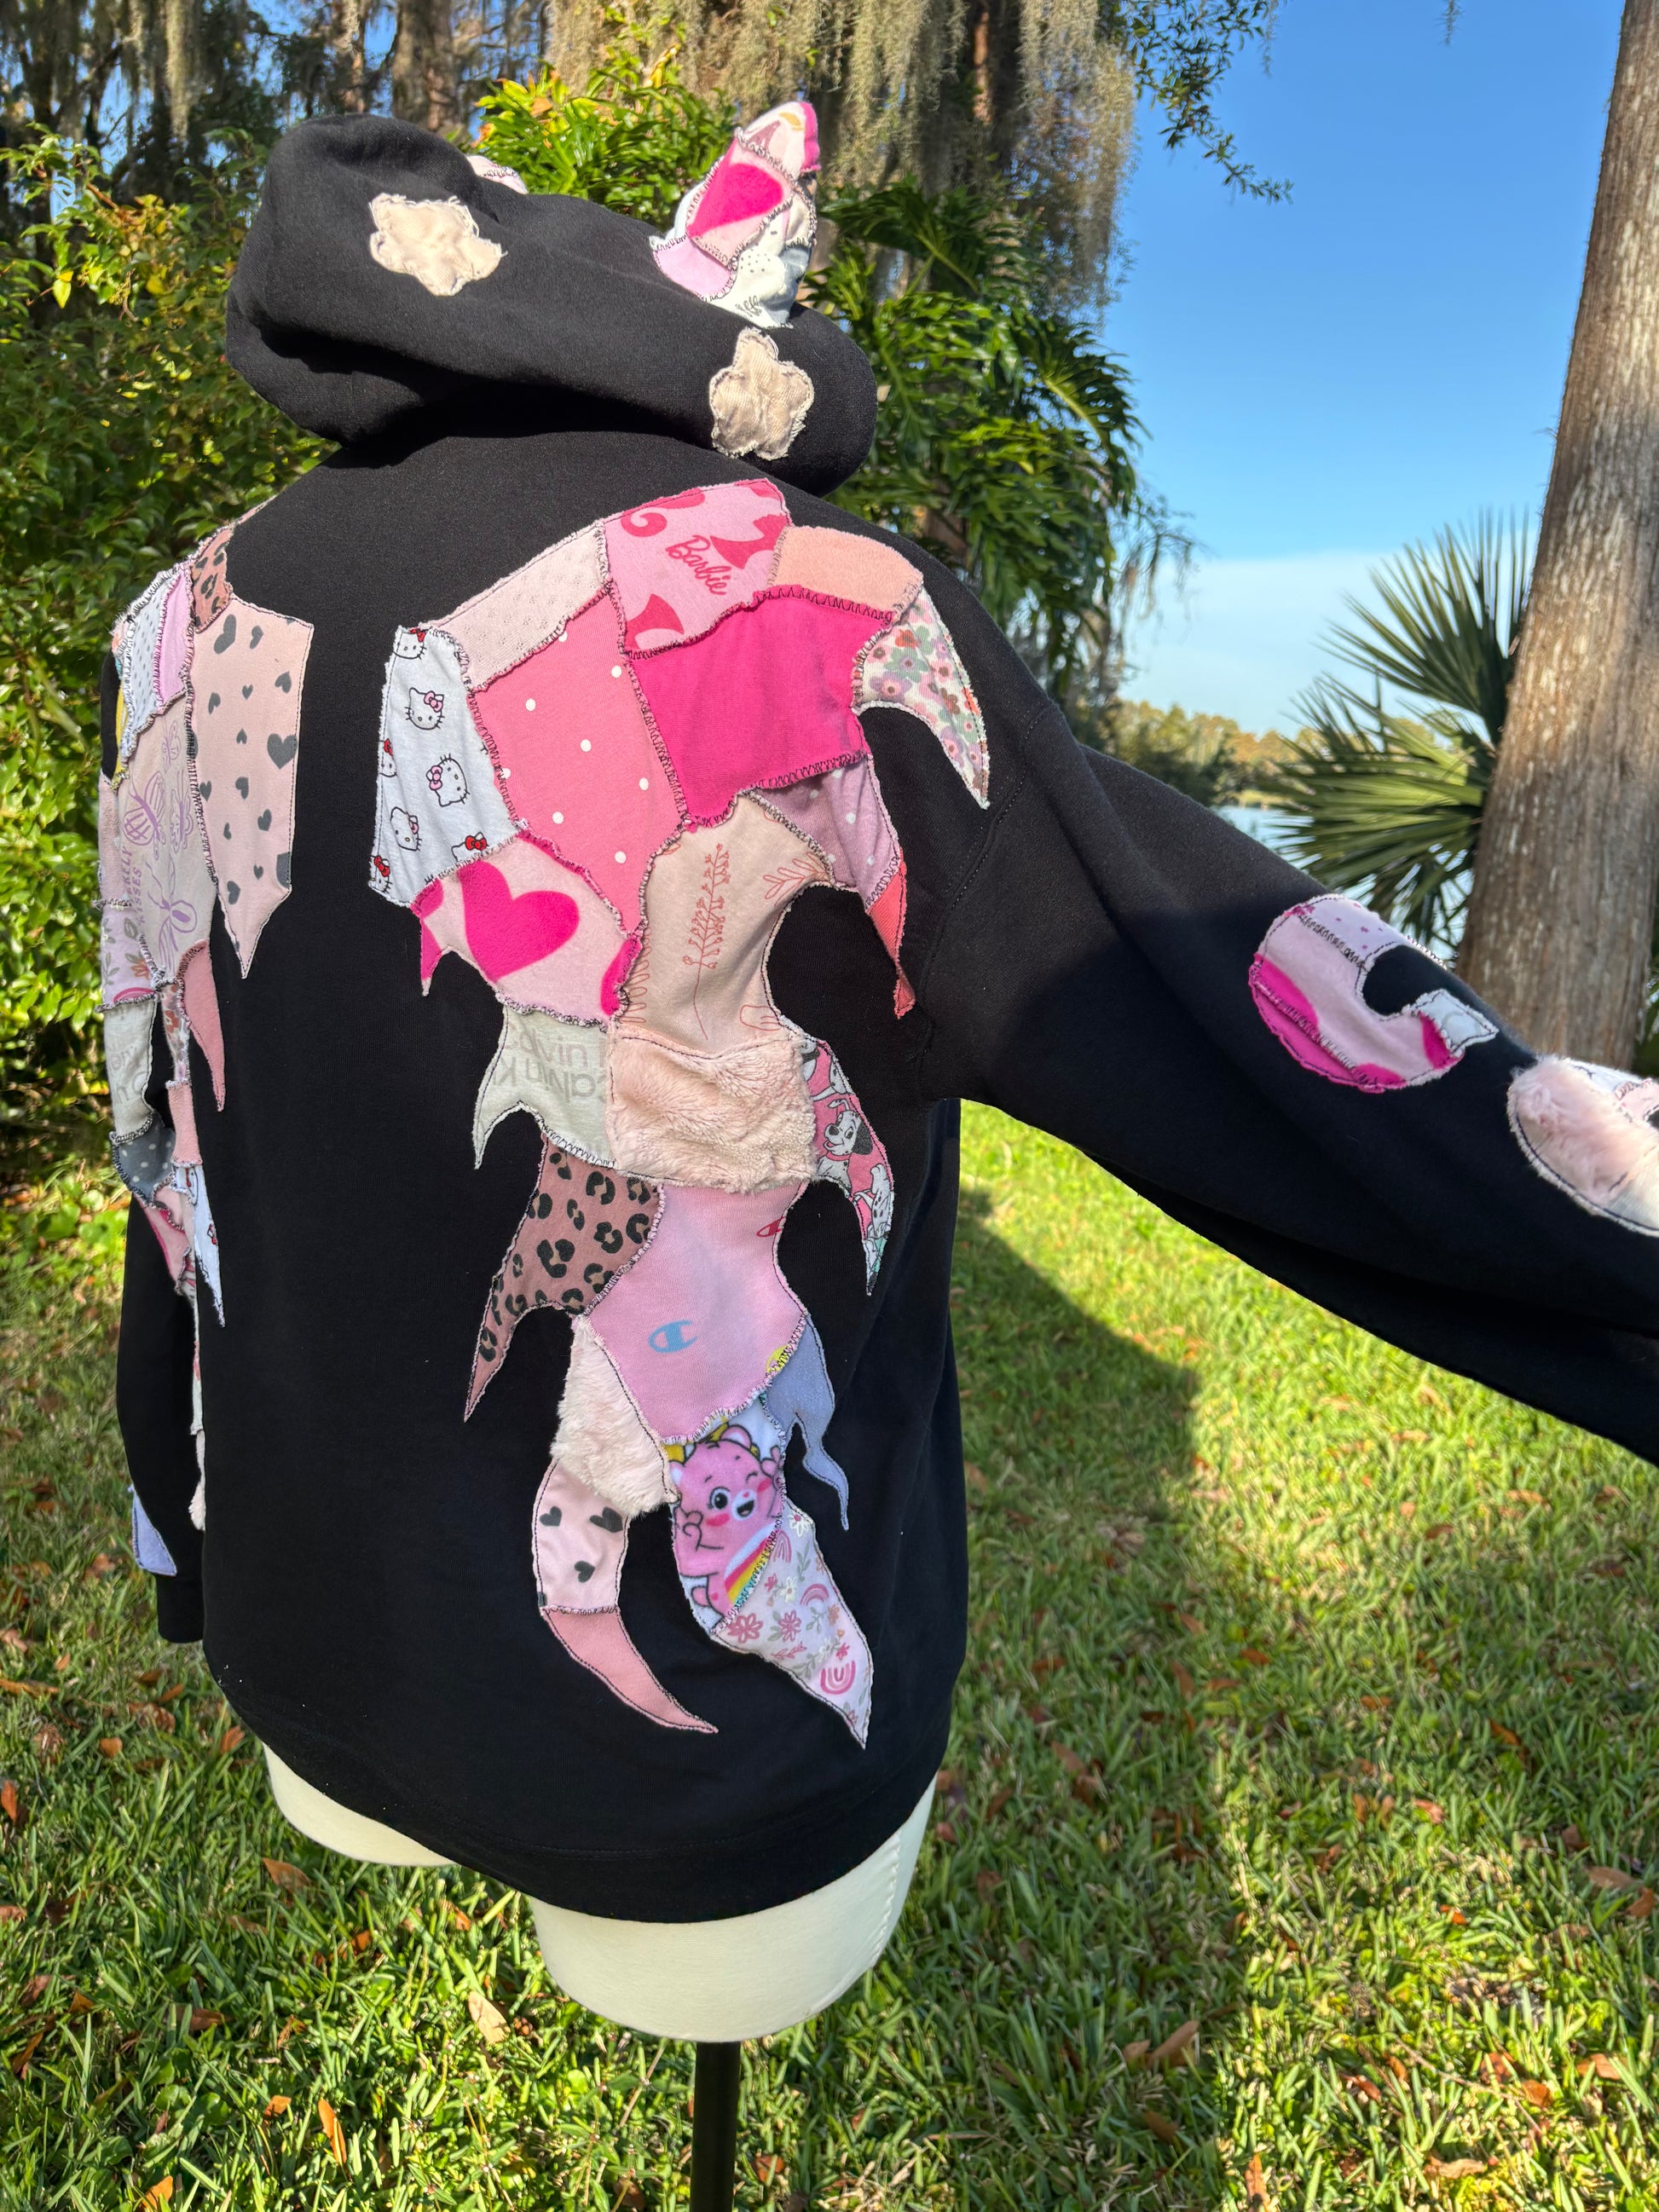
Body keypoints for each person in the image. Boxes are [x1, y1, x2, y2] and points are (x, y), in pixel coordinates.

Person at [101, 105, 1659, 2035]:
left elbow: (160, 1145)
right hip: (706, 1751)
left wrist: (180, 1521)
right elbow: (1184, 992)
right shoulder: (793, 590)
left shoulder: (171, 621)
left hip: (312, 1635)